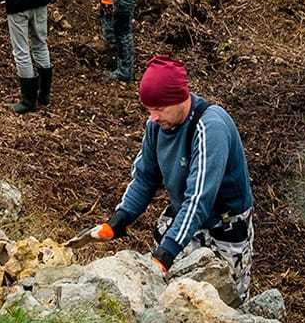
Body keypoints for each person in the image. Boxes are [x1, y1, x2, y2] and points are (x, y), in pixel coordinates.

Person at [90, 55, 255, 302]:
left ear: (180, 98)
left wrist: (166, 253)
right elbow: (145, 177)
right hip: (187, 215)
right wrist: (120, 219)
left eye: (159, 108)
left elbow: (199, 199)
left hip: (225, 223)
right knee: (175, 292)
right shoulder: (156, 126)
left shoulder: (210, 127)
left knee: (226, 298)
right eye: (149, 108)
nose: (153, 116)